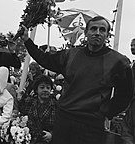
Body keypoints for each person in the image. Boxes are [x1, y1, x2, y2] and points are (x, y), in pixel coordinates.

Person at [19, 16, 134, 144]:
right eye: (93, 29)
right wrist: (27, 40)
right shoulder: (70, 55)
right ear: (86, 32)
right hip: (64, 119)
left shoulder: (118, 62)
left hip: (91, 124)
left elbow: (125, 94)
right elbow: (45, 59)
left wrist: (107, 112)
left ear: (107, 35)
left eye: (102, 30)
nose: (97, 33)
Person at [18, 74, 56, 144]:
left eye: (48, 88)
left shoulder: (55, 105)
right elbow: (21, 113)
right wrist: (20, 98)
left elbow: (60, 125)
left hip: (47, 140)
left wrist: (52, 134)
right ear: (36, 89)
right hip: (29, 139)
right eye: (42, 87)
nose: (45, 90)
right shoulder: (29, 101)